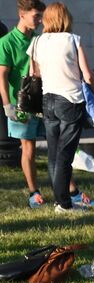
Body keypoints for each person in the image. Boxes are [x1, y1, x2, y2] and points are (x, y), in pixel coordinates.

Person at [28, 2, 94, 213]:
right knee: (65, 155)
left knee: (53, 154)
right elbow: (87, 75)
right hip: (70, 100)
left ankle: (61, 201)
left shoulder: (37, 41)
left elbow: (35, 74)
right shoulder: (72, 40)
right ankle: (64, 203)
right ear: (65, 18)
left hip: (47, 100)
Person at [0, 0, 49, 208]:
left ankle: (69, 189)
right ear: (22, 14)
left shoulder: (40, 39)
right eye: (36, 16)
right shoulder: (7, 42)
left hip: (44, 102)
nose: (39, 21)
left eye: (41, 16)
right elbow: (2, 76)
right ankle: (34, 193)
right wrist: (7, 105)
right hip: (22, 105)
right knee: (28, 148)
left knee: (57, 145)